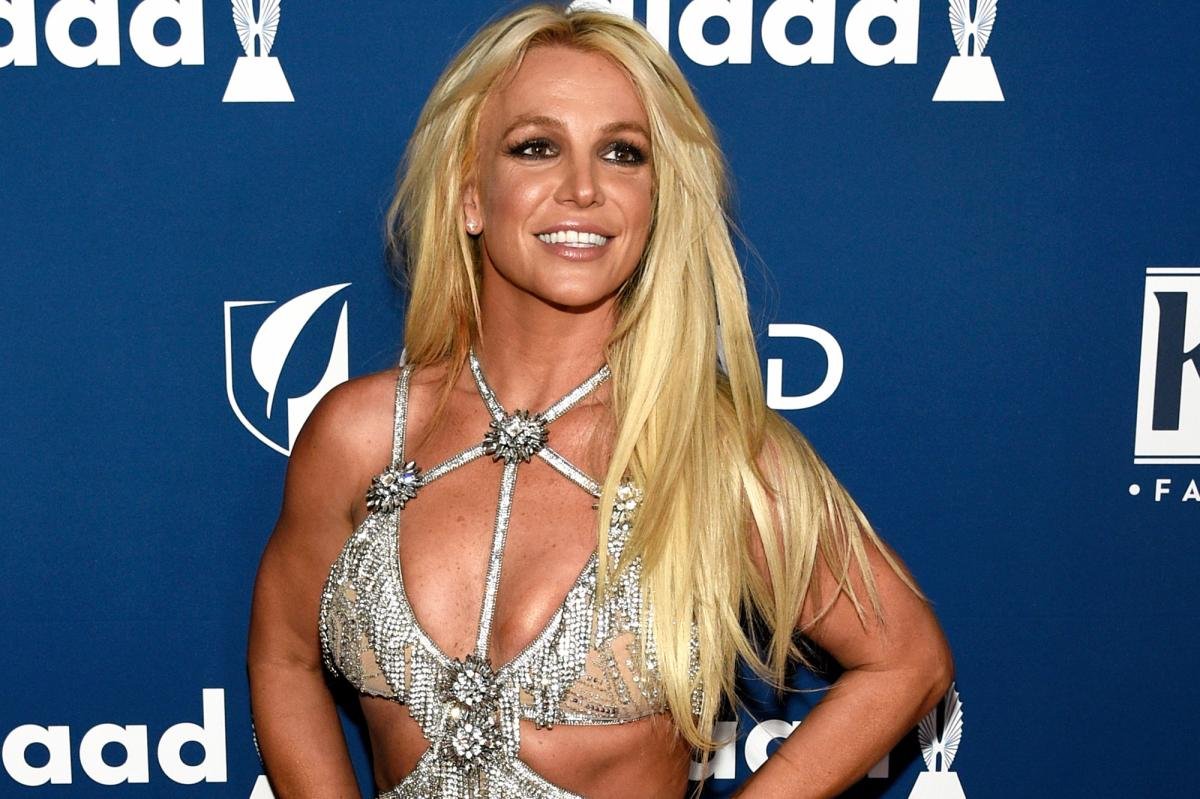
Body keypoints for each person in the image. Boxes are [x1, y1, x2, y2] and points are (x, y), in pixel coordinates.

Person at [246, 3, 954, 797]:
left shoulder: (712, 452)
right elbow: (283, 655)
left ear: (655, 203)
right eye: (536, 147)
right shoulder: (361, 433)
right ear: (471, 194)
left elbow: (907, 657)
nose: (582, 188)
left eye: (622, 153)